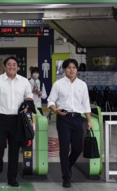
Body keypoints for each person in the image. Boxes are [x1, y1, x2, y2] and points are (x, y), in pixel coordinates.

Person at [0, 56, 33, 187]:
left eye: (14, 64)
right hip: (0, 119)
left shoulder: (24, 81)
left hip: (17, 120)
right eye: (9, 64)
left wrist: (27, 107)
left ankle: (12, 177)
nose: (12, 66)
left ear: (18, 67)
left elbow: (29, 97)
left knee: (14, 150)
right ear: (5, 66)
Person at [47, 58, 92, 188]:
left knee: (78, 148)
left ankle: (68, 167)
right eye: (68, 67)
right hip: (64, 118)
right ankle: (66, 177)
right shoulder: (58, 84)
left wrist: (89, 120)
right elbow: (50, 101)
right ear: (64, 69)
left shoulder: (82, 85)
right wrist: (56, 110)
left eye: (74, 67)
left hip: (78, 119)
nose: (71, 70)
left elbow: (86, 104)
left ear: (77, 69)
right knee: (64, 148)